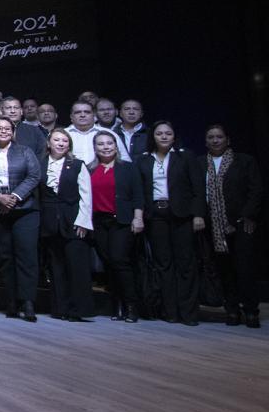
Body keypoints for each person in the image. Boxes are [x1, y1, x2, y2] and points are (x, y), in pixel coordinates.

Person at [136, 121, 206, 325]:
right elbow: (140, 191)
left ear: (174, 136)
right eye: (159, 133)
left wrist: (198, 214)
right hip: (156, 215)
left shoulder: (185, 157)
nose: (164, 136)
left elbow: (198, 188)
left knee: (186, 263)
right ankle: (170, 311)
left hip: (182, 215)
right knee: (163, 264)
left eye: (168, 133)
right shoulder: (143, 160)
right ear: (153, 137)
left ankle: (188, 313)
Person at [203, 124, 264, 328]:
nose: (215, 140)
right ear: (206, 141)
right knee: (224, 270)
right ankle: (232, 310)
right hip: (213, 225)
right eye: (211, 137)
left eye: (219, 137)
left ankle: (251, 311)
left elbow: (256, 190)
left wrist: (248, 215)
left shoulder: (245, 161)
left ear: (228, 140)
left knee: (245, 269)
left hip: (241, 224)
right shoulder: (201, 163)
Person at [0, 117, 42, 321]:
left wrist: (14, 197)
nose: (3, 131)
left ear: (13, 131)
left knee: (26, 257)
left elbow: (34, 176)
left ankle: (28, 302)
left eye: (7, 128)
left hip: (25, 211)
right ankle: (11, 301)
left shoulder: (25, 151)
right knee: (6, 258)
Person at [37, 128, 94, 321]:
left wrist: (83, 221)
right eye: (57, 140)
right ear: (49, 143)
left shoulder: (77, 165)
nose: (61, 143)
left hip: (74, 222)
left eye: (65, 141)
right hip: (49, 224)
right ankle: (60, 308)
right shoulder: (40, 164)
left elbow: (86, 195)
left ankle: (78, 310)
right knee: (56, 267)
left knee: (77, 267)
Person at [88, 131, 145, 322]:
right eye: (101, 144)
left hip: (121, 221)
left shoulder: (128, 168)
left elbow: (138, 194)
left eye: (109, 143)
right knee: (109, 263)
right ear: (95, 148)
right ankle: (117, 304)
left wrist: (138, 217)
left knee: (119, 260)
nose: (106, 147)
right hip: (98, 222)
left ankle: (131, 305)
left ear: (115, 145)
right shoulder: (89, 169)